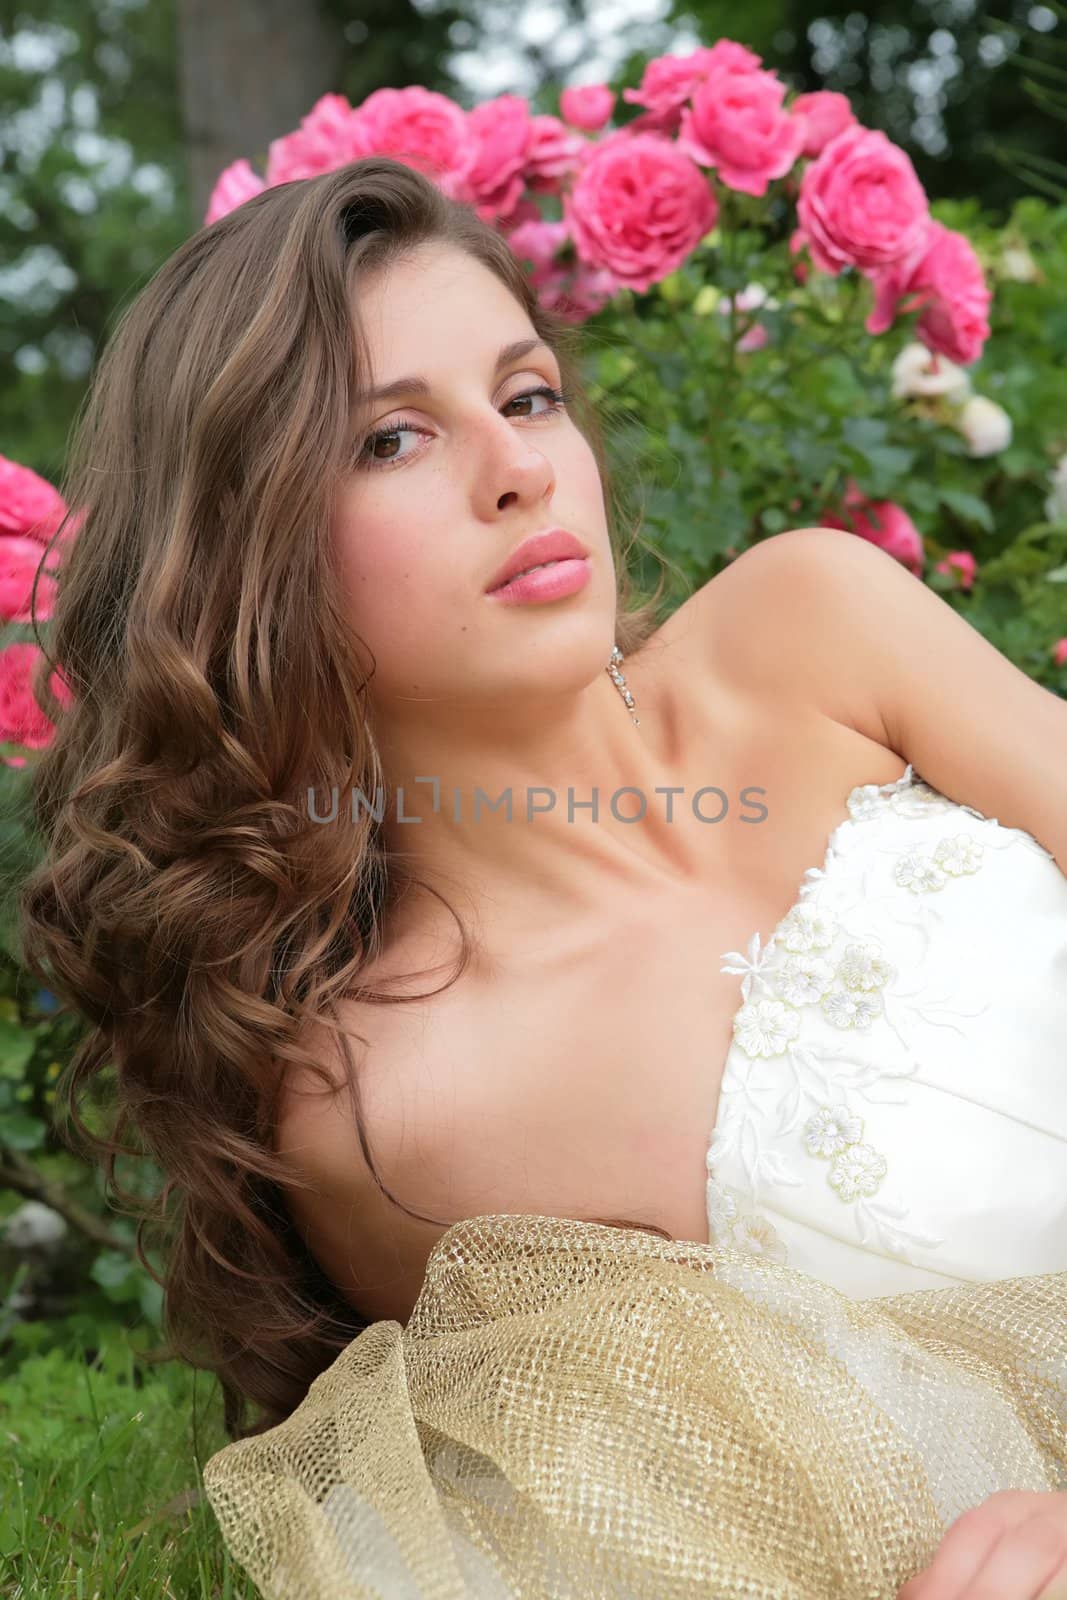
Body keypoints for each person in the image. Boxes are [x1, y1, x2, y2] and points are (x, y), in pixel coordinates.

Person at [17, 153, 1066, 1505]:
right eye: (392, 438)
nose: (518, 469)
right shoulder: (398, 1112)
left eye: (527, 396)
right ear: (250, 560)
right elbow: (758, 1524)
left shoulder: (812, 622)